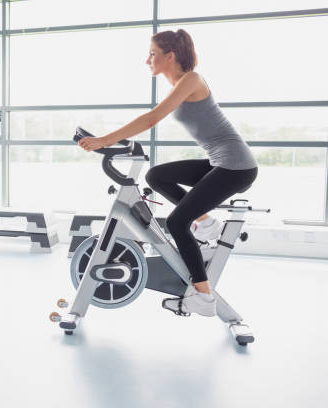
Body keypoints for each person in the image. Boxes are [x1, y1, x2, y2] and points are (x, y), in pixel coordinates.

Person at [77, 29, 258, 317]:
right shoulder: (179, 84)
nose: (147, 59)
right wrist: (114, 140)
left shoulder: (192, 80)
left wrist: (104, 140)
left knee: (176, 223)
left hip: (236, 167)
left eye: (152, 53)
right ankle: (207, 224)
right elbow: (150, 119)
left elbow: (150, 119)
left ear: (169, 56)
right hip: (219, 163)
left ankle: (203, 297)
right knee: (155, 176)